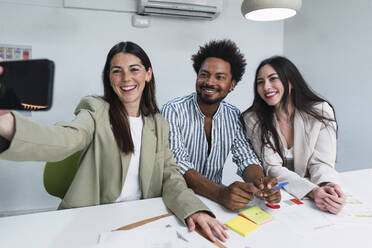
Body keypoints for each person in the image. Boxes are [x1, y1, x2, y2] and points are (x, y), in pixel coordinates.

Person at [0, 42, 228, 242]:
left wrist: (193, 209)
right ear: (109, 78)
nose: (126, 78)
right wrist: (7, 123)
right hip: (92, 221)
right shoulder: (95, 110)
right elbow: (66, 139)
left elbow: (171, 176)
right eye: (117, 71)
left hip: (140, 220)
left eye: (134, 70)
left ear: (148, 74)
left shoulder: (158, 123)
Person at [161, 39, 281, 211]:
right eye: (204, 74)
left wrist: (261, 184)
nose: (210, 82)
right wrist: (220, 193)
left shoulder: (233, 116)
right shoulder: (173, 110)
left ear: (232, 85)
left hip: (215, 203)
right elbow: (178, 164)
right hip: (176, 199)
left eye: (220, 77)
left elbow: (246, 157)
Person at [241, 56, 346, 214]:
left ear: (290, 82)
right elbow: (272, 168)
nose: (266, 87)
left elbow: (322, 163)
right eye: (260, 82)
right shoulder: (253, 119)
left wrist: (327, 186)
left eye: (273, 79)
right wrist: (312, 191)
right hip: (276, 197)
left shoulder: (321, 111)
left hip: (313, 195)